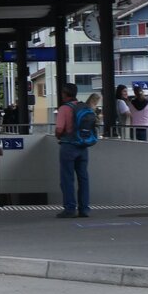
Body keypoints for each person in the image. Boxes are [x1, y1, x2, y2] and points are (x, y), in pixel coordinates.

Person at [54, 82, 90, 218]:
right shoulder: (83, 107)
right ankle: (84, 209)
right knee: (83, 178)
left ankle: (70, 208)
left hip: (68, 146)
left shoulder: (64, 109)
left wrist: (58, 136)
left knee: (67, 178)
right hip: (83, 146)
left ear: (64, 94)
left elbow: (59, 129)